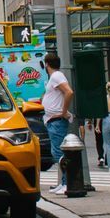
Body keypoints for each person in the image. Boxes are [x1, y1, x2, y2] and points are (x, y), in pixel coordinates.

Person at [41, 52, 74, 193]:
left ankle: (67, 183)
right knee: (58, 152)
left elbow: (69, 92)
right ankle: (64, 182)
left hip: (57, 119)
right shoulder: (55, 77)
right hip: (53, 119)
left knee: (59, 153)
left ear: (47, 64)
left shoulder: (56, 76)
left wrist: (63, 111)